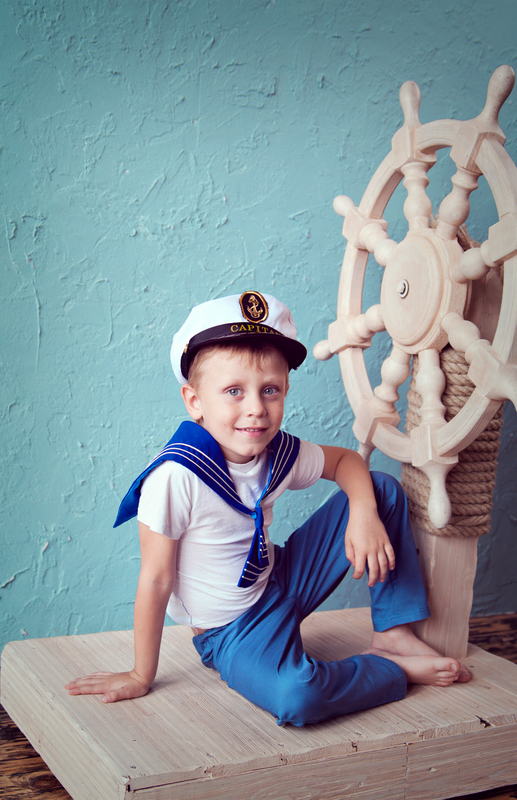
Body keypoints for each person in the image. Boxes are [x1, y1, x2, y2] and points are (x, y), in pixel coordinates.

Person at [66, 290, 471, 726]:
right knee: (298, 697)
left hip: (281, 579)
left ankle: (393, 634)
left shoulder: (276, 451)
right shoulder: (176, 477)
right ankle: (390, 669)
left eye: (270, 390)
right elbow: (156, 578)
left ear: (286, 390)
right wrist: (140, 674)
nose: (256, 409)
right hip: (232, 631)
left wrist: (363, 513)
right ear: (194, 401)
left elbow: (347, 463)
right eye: (234, 391)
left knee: (378, 490)